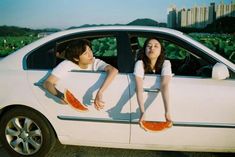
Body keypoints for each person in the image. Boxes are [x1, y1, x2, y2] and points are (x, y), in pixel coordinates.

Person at [43, 39, 118, 110]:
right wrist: (61, 96)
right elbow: (47, 83)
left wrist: (100, 92)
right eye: (85, 53)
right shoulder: (67, 64)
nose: (90, 55)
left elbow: (113, 70)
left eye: (90, 50)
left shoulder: (95, 62)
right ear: (76, 58)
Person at [134, 37, 172, 124]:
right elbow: (139, 87)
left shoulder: (166, 63)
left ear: (161, 50)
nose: (152, 48)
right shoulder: (140, 63)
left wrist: (167, 111)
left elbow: (164, 85)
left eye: (156, 46)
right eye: (149, 46)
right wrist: (142, 111)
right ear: (144, 50)